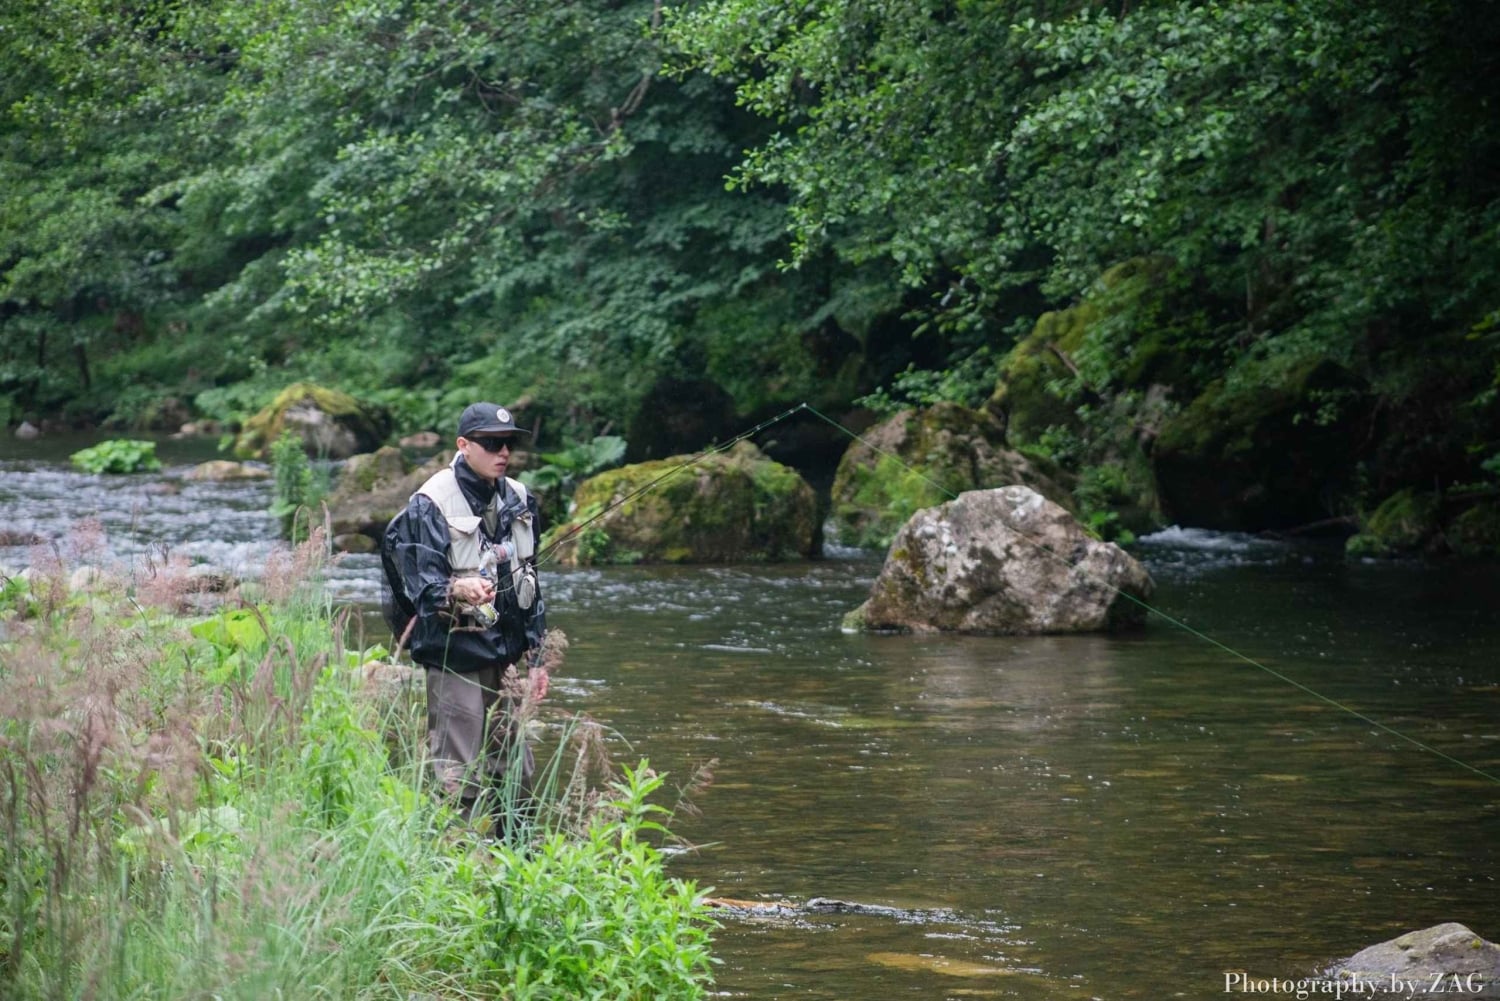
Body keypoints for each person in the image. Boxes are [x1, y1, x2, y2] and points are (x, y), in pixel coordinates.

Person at [381, 402, 547, 834]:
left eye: (508, 443)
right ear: (463, 445)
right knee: (457, 777)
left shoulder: (520, 498)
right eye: (491, 443)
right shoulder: (430, 503)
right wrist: (457, 588)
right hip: (455, 656)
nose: (503, 452)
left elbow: (532, 585)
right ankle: (457, 868)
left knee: (517, 774)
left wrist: (539, 659)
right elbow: (421, 588)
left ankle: (520, 865)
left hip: (508, 656)